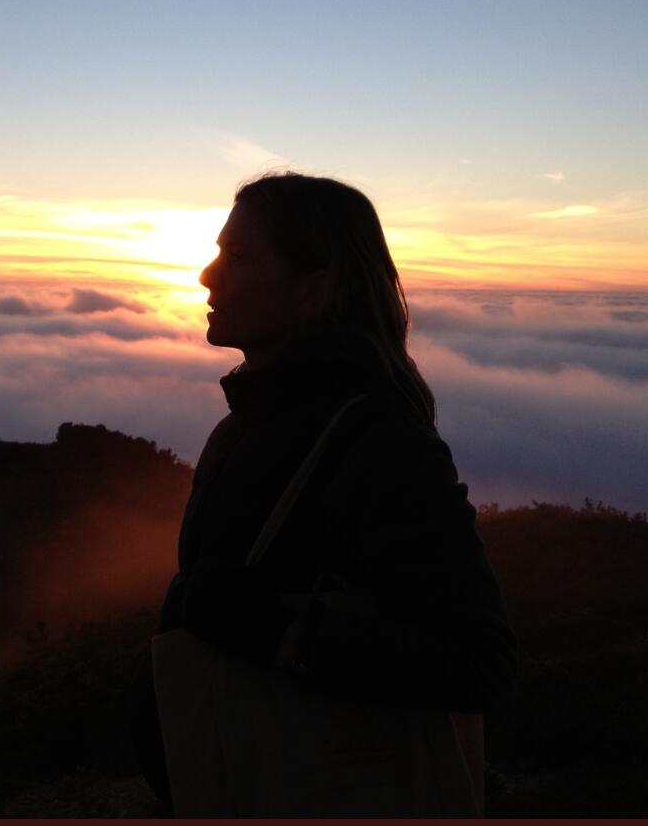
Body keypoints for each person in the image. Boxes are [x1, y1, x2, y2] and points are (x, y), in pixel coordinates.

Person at [130, 171, 516, 816]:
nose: (205, 275)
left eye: (240, 256)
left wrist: (282, 637)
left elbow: (481, 662)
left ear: (315, 289)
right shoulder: (249, 422)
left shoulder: (378, 442)